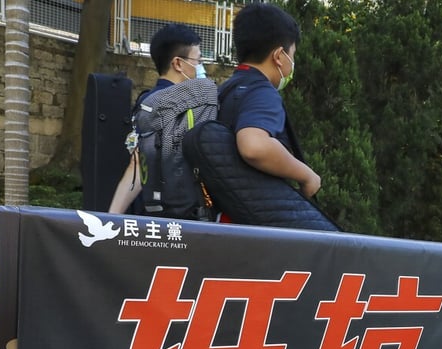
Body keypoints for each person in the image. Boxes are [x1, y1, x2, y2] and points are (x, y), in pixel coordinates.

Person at [220, 2, 320, 199]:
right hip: (248, 212)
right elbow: (254, 146)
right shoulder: (262, 92)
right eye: (292, 55)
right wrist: (307, 176)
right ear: (279, 56)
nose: (293, 63)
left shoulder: (227, 88)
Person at [108, 24, 206, 215]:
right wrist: (112, 217)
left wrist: (112, 217)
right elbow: (139, 163)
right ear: (178, 64)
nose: (201, 67)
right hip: (174, 216)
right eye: (198, 60)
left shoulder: (151, 100)